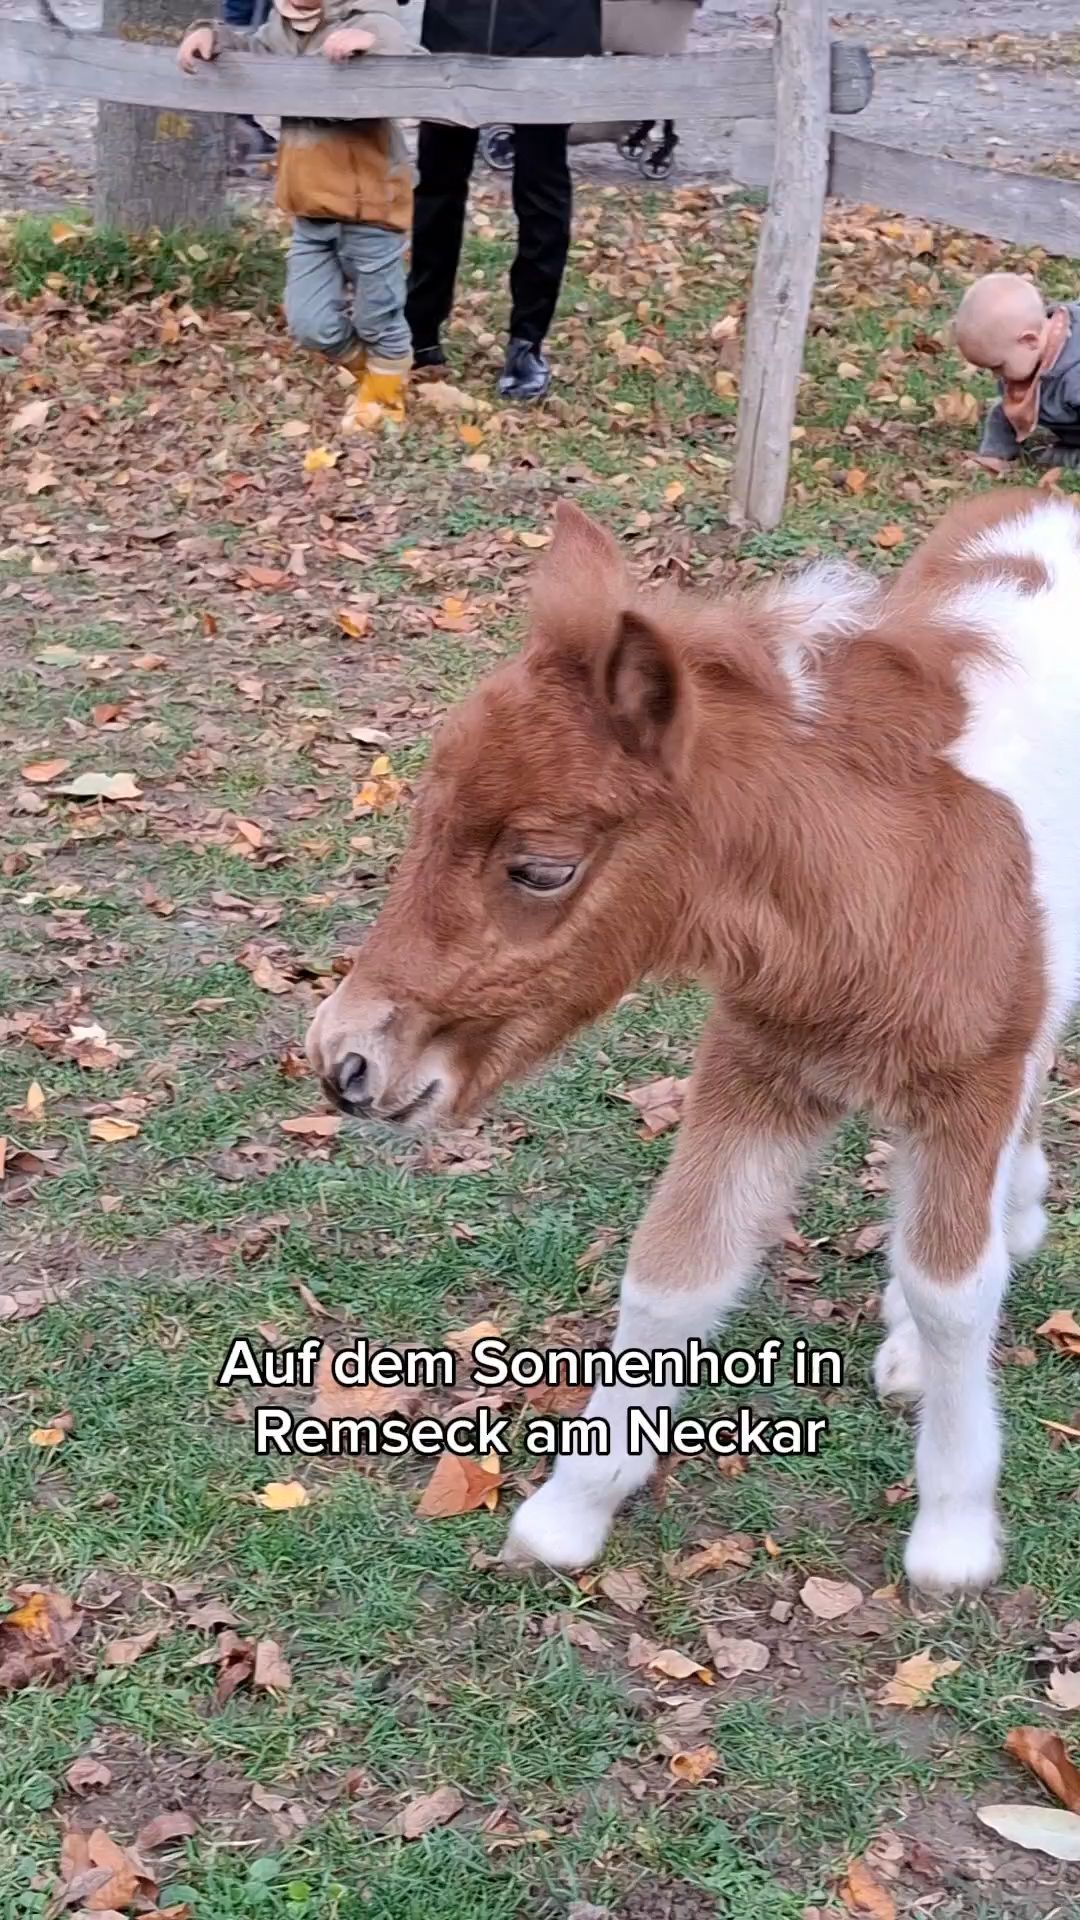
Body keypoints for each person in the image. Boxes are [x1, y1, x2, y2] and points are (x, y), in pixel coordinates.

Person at [178, 0, 415, 429]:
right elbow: (250, 51)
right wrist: (212, 35)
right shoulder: (281, 28)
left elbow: (409, 56)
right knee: (310, 324)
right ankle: (375, 373)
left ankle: (383, 399)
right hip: (310, 208)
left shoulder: (367, 16)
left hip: (369, 207)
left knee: (378, 317)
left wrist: (373, 42)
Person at [405, 0, 602, 403]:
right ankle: (419, 329)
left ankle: (527, 341)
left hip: (549, 37)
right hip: (455, 32)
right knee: (436, 188)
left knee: (541, 191)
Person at [954, 271, 1080, 469]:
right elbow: (1006, 412)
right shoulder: (1027, 363)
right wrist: (994, 456)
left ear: (1029, 341)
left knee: (1055, 461)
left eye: (998, 366)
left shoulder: (1073, 376)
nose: (996, 376)